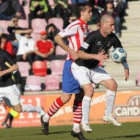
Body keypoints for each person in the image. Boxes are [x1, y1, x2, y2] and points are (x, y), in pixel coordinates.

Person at [40, 2, 93, 140]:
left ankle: (76, 128)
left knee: (80, 95)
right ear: (82, 13)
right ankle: (45, 117)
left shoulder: (86, 27)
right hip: (72, 64)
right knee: (66, 97)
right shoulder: (75, 25)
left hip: (83, 65)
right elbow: (58, 38)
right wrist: (70, 50)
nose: (91, 14)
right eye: (89, 11)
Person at [71, 14, 129, 127]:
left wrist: (125, 67)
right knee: (89, 90)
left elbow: (120, 52)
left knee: (112, 85)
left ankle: (108, 114)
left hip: (94, 67)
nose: (114, 27)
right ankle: (85, 122)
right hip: (80, 67)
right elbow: (80, 53)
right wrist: (95, 56)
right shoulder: (93, 36)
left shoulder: (113, 38)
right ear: (103, 25)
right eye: (111, 25)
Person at [0, 49, 45, 122]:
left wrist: (3, 72)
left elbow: (15, 67)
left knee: (18, 109)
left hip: (8, 86)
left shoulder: (3, 54)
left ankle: (37, 109)